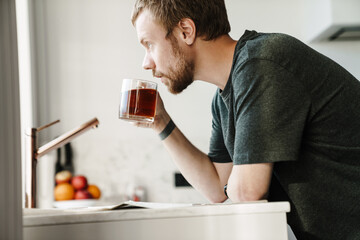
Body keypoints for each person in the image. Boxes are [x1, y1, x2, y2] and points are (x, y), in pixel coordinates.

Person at [130, 0, 360, 239]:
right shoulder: (223, 99)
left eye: (149, 44)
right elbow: (218, 187)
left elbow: (249, 191)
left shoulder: (263, 63)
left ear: (186, 31)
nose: (146, 63)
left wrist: (237, 184)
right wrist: (160, 122)